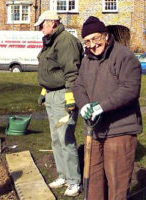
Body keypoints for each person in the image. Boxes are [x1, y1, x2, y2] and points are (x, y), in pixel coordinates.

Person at [73, 16, 143, 200]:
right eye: (87, 41)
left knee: (117, 182)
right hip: (95, 130)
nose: (92, 45)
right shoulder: (87, 59)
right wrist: (84, 105)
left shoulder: (124, 57)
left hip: (120, 129)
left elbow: (130, 90)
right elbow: (78, 85)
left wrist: (101, 107)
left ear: (105, 35)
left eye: (95, 38)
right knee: (94, 179)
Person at [34, 10, 83, 197]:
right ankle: (63, 175)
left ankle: (74, 181)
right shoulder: (51, 41)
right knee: (56, 138)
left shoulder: (66, 41)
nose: (40, 28)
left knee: (66, 138)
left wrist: (70, 98)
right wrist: (44, 90)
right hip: (52, 96)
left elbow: (71, 72)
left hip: (64, 96)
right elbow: (50, 70)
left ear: (52, 22)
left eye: (42, 25)